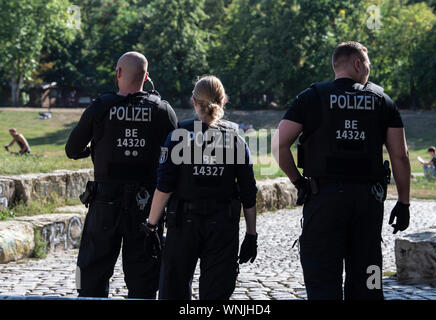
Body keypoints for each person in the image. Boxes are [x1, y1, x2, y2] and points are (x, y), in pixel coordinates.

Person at [272, 41, 411, 300]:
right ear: (358, 64)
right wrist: (404, 202)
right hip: (367, 203)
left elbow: (279, 144)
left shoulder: (311, 97)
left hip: (323, 199)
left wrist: (299, 182)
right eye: (368, 64)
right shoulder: (383, 101)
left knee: (322, 279)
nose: (369, 70)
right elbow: (400, 155)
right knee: (368, 279)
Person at [65, 51, 178, 299]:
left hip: (105, 203)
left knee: (90, 276)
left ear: (118, 73)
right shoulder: (162, 111)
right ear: (146, 77)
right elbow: (175, 162)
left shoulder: (100, 107)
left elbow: (72, 150)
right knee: (145, 280)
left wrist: (96, 147)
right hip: (147, 206)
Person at [144, 75, 258, 300]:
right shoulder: (236, 137)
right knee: (216, 295)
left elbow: (164, 186)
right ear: (223, 101)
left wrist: (151, 225)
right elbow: (248, 191)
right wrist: (251, 234)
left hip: (183, 223)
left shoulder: (179, 134)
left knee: (173, 292)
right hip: (223, 225)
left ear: (193, 101)